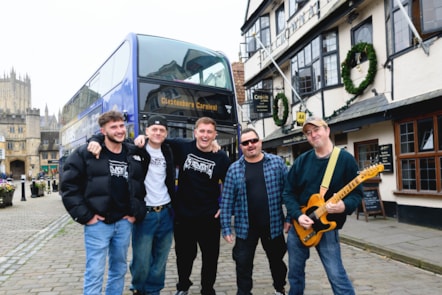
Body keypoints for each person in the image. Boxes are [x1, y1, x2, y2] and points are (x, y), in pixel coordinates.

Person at [135, 116, 231, 295]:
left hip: (209, 217)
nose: (205, 135)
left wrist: (225, 207)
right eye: (201, 131)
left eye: (209, 132)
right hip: (184, 216)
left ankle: (207, 289)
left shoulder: (221, 158)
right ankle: (183, 286)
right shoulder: (182, 146)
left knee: (210, 258)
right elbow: (158, 136)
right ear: (195, 132)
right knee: (184, 256)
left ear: (215, 135)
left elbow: (231, 185)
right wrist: (141, 137)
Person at [61, 110, 148, 295]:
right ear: (103, 131)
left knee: (118, 270)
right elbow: (68, 187)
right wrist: (87, 216)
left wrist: (135, 212)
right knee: (95, 272)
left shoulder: (133, 152)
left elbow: (140, 185)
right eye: (113, 127)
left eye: (121, 126)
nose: (119, 130)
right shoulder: (87, 153)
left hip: (124, 223)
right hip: (98, 224)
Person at [87, 115, 175, 295]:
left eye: (162, 130)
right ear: (147, 131)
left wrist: (213, 144)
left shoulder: (169, 150)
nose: (158, 133)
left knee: (160, 259)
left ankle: (153, 290)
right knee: (141, 261)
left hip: (166, 212)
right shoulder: (134, 148)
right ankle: (138, 289)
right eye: (154, 129)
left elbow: (197, 143)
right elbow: (109, 137)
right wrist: (95, 139)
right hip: (145, 213)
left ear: (166, 133)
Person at [282, 116, 363, 295]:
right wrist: (297, 214)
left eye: (316, 130)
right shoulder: (302, 161)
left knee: (336, 274)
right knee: (295, 274)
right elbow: (288, 192)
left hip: (327, 228)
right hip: (300, 225)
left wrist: (344, 206)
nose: (312, 135)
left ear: (327, 130)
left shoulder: (345, 160)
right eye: (308, 133)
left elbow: (357, 194)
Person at [220, 128, 288, 295]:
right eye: (245, 143)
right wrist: (226, 227)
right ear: (241, 146)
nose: (250, 145)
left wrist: (291, 218)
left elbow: (289, 192)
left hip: (273, 224)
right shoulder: (234, 169)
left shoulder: (277, 163)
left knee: (277, 261)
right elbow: (227, 199)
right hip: (245, 227)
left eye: (253, 141)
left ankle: (279, 288)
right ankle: (244, 292)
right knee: (242, 263)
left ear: (260, 142)